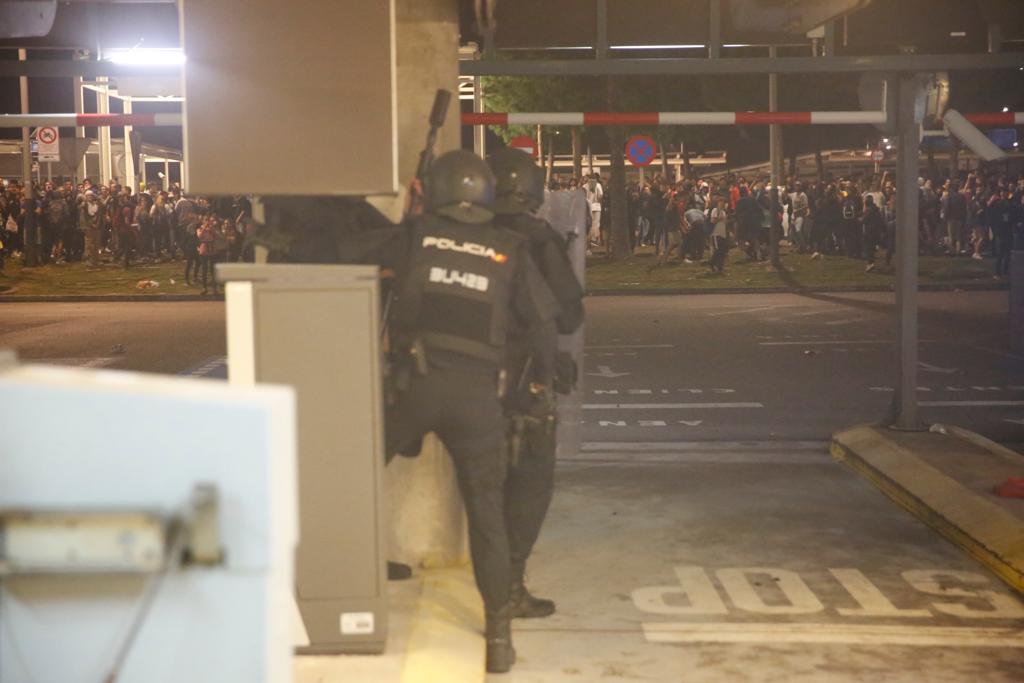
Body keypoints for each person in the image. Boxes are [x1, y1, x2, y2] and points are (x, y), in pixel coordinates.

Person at [337, 150, 560, 674]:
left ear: (434, 192)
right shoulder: (509, 247)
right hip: (476, 398)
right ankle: (499, 638)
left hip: (413, 386)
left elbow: (349, 250)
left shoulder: (416, 237)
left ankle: (336, 584)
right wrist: (545, 384)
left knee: (350, 475)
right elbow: (546, 325)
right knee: (485, 515)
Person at [487, 147, 584, 623]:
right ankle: (510, 587)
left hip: (470, 382)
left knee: (483, 490)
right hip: (526, 381)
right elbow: (568, 315)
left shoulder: (464, 230)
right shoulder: (538, 238)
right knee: (530, 488)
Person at [862, 194, 885, 272]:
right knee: (871, 249)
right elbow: (881, 221)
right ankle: (871, 264)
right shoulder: (876, 210)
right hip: (876, 232)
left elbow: (864, 220)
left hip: (869, 233)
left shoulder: (868, 210)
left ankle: (870, 264)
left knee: (868, 249)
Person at [708, 195, 729, 274]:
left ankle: (720, 266)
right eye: (721, 202)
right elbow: (713, 221)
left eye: (724, 202)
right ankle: (713, 264)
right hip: (716, 233)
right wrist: (721, 218)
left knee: (722, 250)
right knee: (718, 250)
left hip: (722, 232)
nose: (722, 204)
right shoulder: (715, 210)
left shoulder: (723, 212)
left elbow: (725, 222)